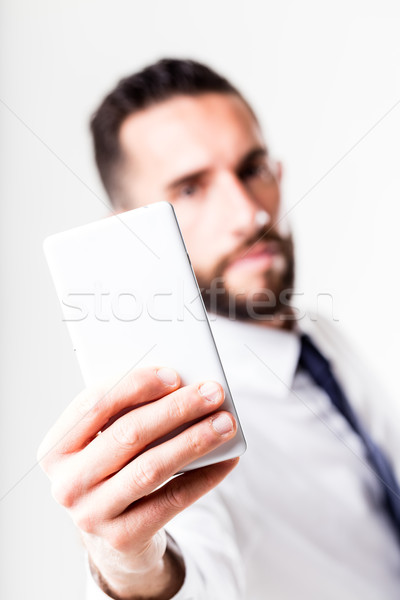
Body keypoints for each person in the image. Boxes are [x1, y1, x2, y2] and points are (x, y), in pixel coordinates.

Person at [37, 59, 400, 600]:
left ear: (277, 175)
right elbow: (191, 568)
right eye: (190, 189)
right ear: (133, 230)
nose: (249, 214)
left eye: (251, 169)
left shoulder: (314, 333)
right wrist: (133, 567)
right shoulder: (179, 412)